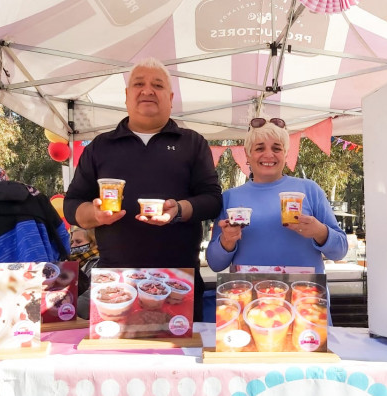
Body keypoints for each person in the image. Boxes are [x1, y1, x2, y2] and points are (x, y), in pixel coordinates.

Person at [63, 57, 222, 321]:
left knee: (180, 359)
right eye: (139, 84)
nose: (147, 90)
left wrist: (179, 210)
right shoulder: (101, 147)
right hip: (116, 279)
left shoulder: (192, 143)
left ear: (170, 98)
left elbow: (213, 200)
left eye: (157, 85)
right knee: (117, 361)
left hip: (179, 280)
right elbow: (71, 205)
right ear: (127, 96)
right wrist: (94, 214)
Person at [206, 118, 347, 273]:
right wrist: (226, 241)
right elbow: (215, 263)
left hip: (304, 292)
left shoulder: (310, 190)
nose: (268, 154)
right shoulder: (229, 197)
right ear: (247, 155)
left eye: (277, 148)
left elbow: (340, 251)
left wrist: (319, 231)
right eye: (259, 149)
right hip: (248, 292)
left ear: (286, 154)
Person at [68, 226, 100, 295]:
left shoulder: (98, 263)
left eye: (78, 242)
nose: (73, 246)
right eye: (72, 242)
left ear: (93, 242)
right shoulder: (72, 262)